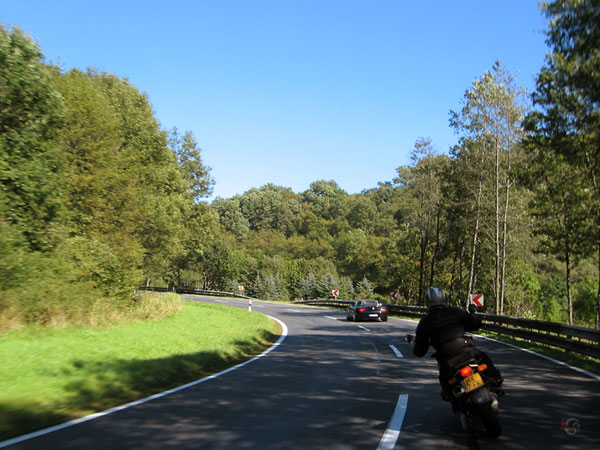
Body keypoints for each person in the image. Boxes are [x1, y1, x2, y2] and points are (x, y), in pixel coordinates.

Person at [412, 287, 503, 402]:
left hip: (447, 359)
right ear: (445, 299)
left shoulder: (425, 322)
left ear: (427, 302)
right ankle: (496, 383)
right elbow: (475, 323)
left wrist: (419, 346)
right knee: (485, 360)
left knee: (446, 385)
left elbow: (420, 351)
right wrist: (473, 315)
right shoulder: (456, 311)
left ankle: (456, 398)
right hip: (467, 351)